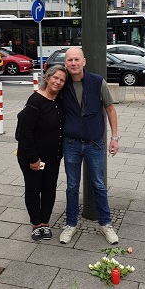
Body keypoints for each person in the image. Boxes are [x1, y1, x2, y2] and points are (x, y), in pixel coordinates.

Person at [59, 47, 119, 245]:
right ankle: (70, 224)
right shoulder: (62, 83)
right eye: (69, 60)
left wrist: (114, 138)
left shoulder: (97, 81)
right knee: (72, 186)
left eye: (77, 59)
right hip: (71, 144)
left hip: (94, 143)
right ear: (65, 63)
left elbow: (110, 110)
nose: (73, 63)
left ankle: (106, 224)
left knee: (99, 185)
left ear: (84, 61)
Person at [17, 64, 67, 242]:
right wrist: (33, 158)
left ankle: (45, 223)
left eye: (62, 80)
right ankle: (36, 225)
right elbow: (25, 133)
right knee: (33, 189)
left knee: (49, 189)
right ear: (47, 78)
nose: (58, 82)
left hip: (53, 157)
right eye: (55, 78)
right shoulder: (35, 101)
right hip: (33, 157)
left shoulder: (58, 100)